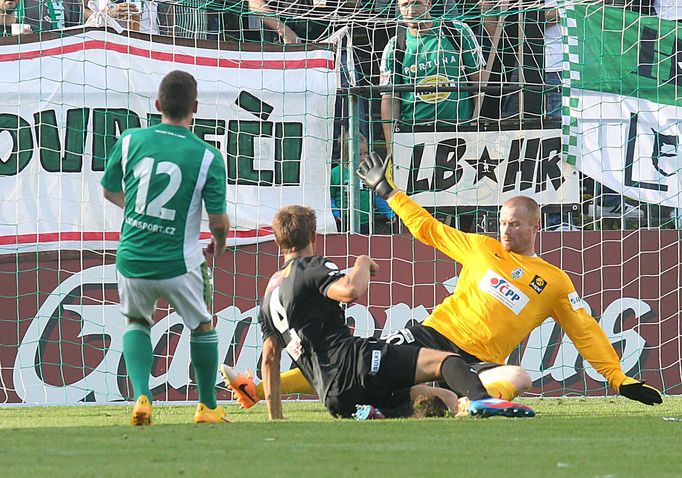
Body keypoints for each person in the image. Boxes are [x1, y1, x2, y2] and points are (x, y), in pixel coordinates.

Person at [224, 153, 663, 411]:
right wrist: (389, 193)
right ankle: (258, 389)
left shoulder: (554, 281)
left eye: (515, 224)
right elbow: (429, 228)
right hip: (430, 337)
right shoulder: (479, 247)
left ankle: (462, 407)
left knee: (522, 377)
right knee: (356, 368)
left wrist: (617, 379)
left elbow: (584, 331)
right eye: (503, 222)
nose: (506, 230)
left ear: (536, 226)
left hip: (476, 362)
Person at [228, 204, 535, 420]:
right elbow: (350, 290)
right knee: (447, 361)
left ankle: (379, 411)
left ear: (279, 240)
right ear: (312, 237)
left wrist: (275, 418)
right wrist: (362, 262)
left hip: (333, 398)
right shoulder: (312, 267)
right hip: (357, 363)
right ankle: (484, 403)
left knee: (441, 399)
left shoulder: (269, 292)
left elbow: (269, 357)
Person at [101, 70, 230, 425]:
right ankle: (207, 406)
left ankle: (142, 396)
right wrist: (219, 243)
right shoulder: (207, 156)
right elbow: (218, 221)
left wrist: (139, 214)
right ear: (195, 108)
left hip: (132, 258)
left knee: (136, 320)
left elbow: (109, 189)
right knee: (202, 325)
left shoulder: (129, 140)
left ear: (157, 105)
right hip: (180, 262)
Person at [379, 0, 484, 156]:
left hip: (459, 133)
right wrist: (391, 148)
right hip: (415, 139)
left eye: (417, 3)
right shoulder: (395, 47)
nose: (411, 10)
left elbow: (480, 83)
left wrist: (475, 125)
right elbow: (389, 99)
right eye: (405, 4)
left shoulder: (457, 31)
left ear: (429, 3)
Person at [331, 133, 395, 234]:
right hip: (344, 220)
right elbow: (330, 196)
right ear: (347, 154)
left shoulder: (369, 172)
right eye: (360, 154)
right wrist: (335, 212)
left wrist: (389, 213)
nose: (364, 157)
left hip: (366, 221)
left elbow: (376, 196)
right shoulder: (336, 173)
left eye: (366, 153)